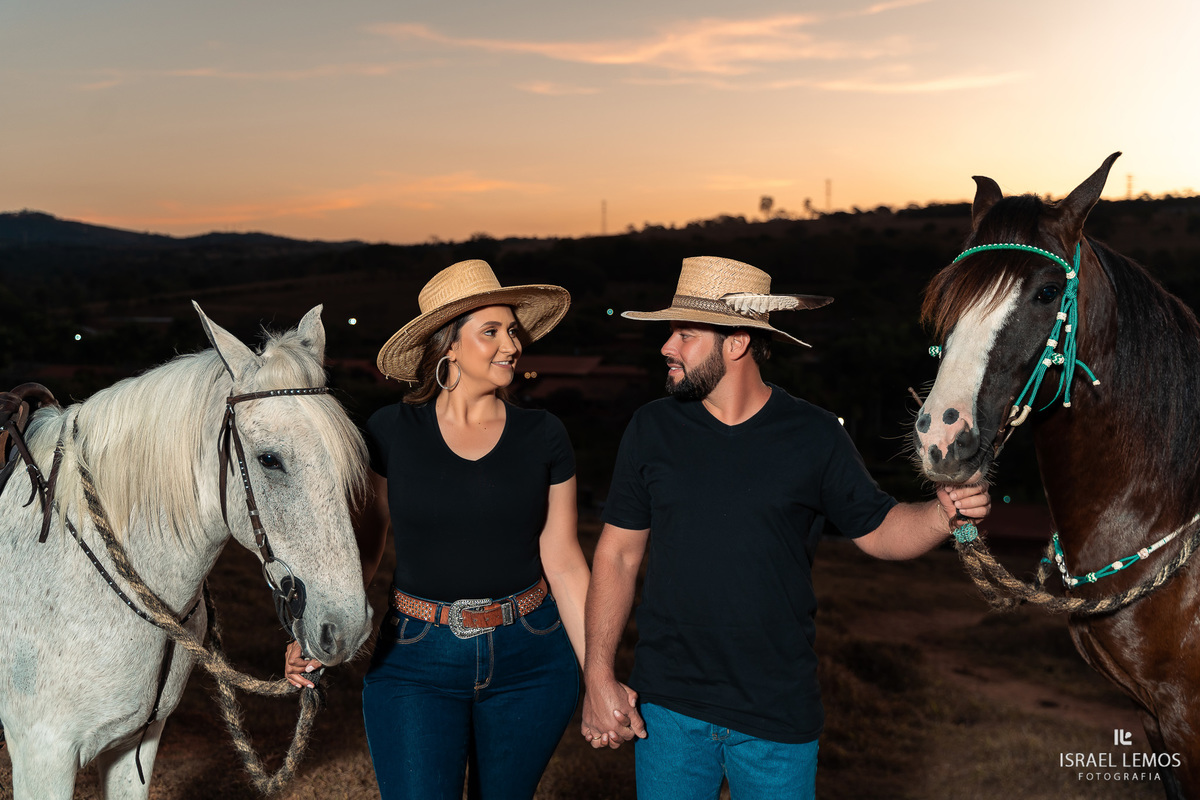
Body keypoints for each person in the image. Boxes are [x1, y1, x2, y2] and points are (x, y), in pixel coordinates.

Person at [579, 256, 991, 799]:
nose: (666, 347)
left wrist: (944, 513)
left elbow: (880, 530)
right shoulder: (651, 429)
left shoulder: (814, 435)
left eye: (684, 334)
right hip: (669, 710)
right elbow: (616, 557)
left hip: (776, 715)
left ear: (737, 343)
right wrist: (597, 675)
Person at [284, 259, 592, 800]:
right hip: (415, 657)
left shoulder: (543, 435)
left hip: (533, 656)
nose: (511, 345)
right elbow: (366, 547)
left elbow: (564, 559)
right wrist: (315, 629)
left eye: (513, 330)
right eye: (491, 331)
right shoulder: (389, 431)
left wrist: (601, 673)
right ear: (448, 345)